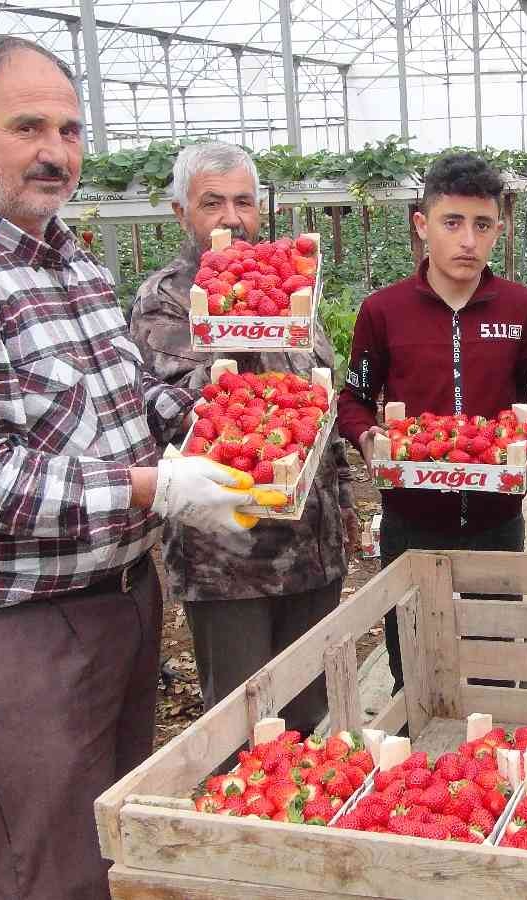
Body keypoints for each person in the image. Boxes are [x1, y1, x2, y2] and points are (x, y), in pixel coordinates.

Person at [0, 37, 258, 900]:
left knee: (114, 837)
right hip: (16, 631)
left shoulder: (66, 258)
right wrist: (157, 487)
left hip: (115, 600)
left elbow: (125, 396)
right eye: (27, 125)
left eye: (68, 129)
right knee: (55, 868)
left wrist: (220, 427)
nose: (55, 151)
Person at [127, 142, 357, 729]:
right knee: (242, 724)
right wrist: (235, 329)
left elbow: (320, 405)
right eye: (212, 203)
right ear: (181, 213)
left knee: (309, 715)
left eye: (243, 203)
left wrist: (345, 507)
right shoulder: (167, 301)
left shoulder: (290, 286)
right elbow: (177, 412)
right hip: (229, 560)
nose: (232, 218)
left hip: (312, 547)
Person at [336, 152, 527, 693]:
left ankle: (498, 756)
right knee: (414, 660)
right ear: (421, 225)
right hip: (412, 521)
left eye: (482, 226)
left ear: (499, 231)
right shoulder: (383, 312)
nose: (467, 241)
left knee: (498, 658)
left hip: (497, 520)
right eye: (451, 222)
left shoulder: (521, 308)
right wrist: (368, 437)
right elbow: (353, 398)